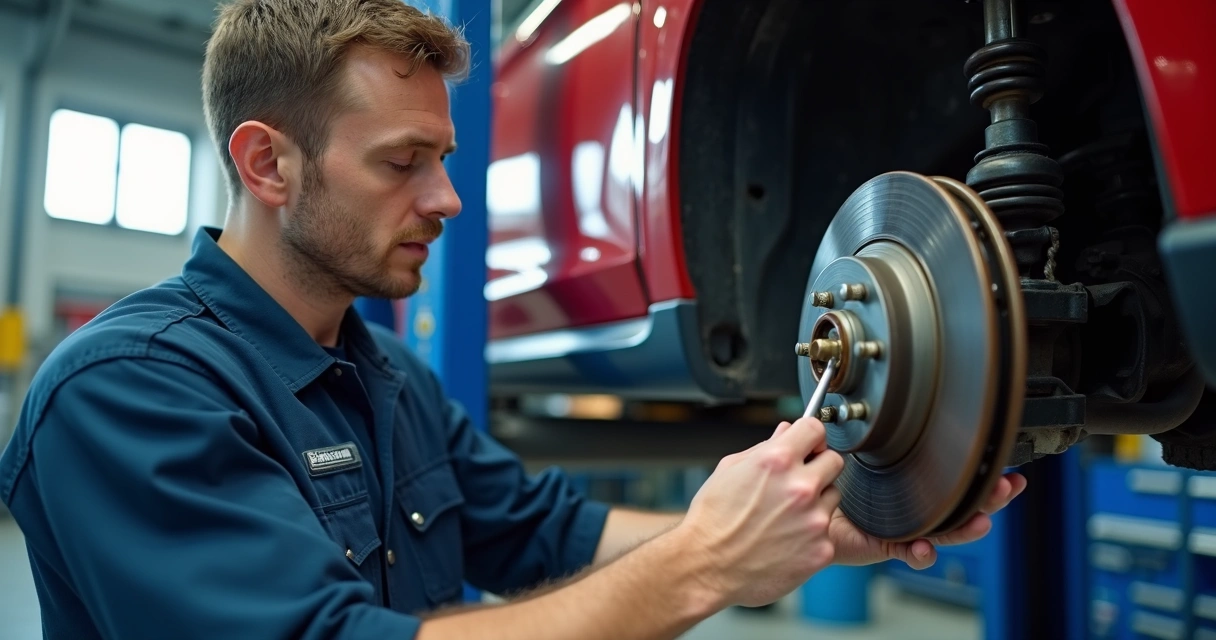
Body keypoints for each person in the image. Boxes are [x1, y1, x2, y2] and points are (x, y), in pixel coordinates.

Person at [0, 1, 1026, 638]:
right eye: (404, 162)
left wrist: (794, 536)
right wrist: (706, 560)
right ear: (268, 164)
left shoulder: (386, 378)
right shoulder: (126, 389)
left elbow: (546, 531)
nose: (447, 200)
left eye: (443, 159)